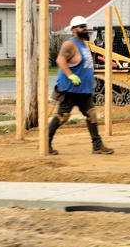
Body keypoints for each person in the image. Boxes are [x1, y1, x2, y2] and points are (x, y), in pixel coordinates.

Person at [48, 15, 114, 155]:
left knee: (92, 114)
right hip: (69, 89)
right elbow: (60, 60)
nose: (85, 28)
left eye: (85, 26)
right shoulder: (70, 44)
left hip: (83, 91)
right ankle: (45, 143)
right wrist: (71, 75)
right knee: (62, 117)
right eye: (81, 26)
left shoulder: (84, 44)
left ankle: (97, 145)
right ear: (74, 29)